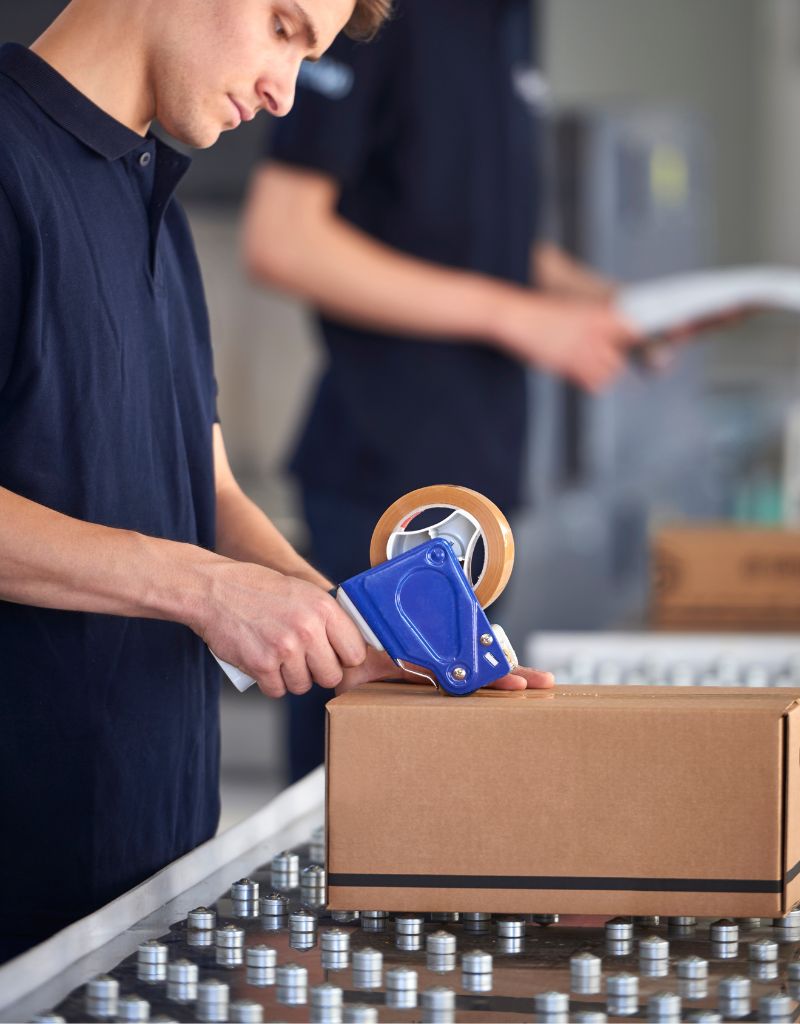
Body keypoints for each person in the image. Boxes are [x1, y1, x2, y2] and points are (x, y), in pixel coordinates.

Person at [0, 0, 554, 962]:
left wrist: (357, 632)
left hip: (151, 869)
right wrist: (208, 592)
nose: (286, 91)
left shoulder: (152, 204)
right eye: (284, 28)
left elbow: (205, 494)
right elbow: (201, 569)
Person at [242, 0, 640, 782]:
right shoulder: (375, 17)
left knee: (452, 791)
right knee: (367, 798)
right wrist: (518, 318)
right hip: (388, 479)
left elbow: (476, 233)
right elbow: (282, 236)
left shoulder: (509, 20)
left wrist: (600, 304)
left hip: (484, 472)